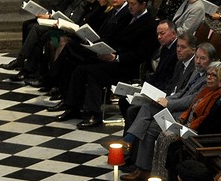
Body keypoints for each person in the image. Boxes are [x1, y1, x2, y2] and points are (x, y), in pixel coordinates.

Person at [53, 0, 157, 129]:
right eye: (129, 3)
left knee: (92, 73)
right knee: (79, 67)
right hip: (111, 56)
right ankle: (73, 107)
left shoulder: (150, 24)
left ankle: (94, 113)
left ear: (143, 4)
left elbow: (142, 53)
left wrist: (117, 57)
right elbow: (115, 38)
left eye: (133, 4)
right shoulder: (128, 17)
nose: (130, 7)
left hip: (127, 65)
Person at [119, 41, 212, 181]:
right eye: (197, 57)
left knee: (150, 127)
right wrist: (164, 98)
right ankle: (138, 161)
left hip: (182, 114)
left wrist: (168, 103)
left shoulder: (208, 79)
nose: (198, 62)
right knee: (146, 106)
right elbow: (182, 92)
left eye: (202, 58)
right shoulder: (196, 73)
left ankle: (136, 155)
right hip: (175, 106)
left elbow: (191, 100)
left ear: (211, 60)